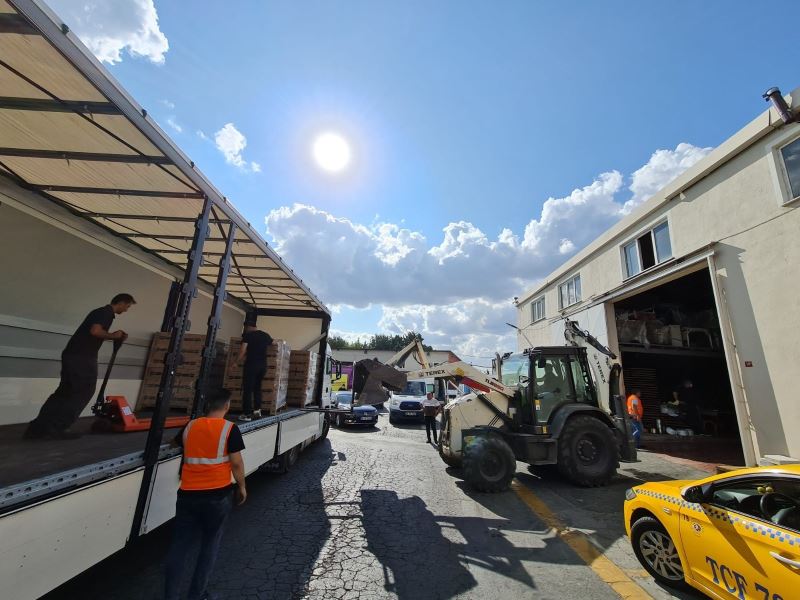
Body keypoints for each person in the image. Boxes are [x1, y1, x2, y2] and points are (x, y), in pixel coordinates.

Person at [165, 389, 246, 600]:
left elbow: (175, 443)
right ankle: (197, 595)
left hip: (187, 495)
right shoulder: (230, 429)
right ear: (227, 406)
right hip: (217, 497)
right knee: (209, 546)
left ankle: (170, 596)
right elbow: (236, 463)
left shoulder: (191, 426)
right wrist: (242, 486)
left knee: (179, 546)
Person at [24, 293, 135, 440]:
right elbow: (95, 331)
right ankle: (57, 428)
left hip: (73, 354)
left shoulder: (99, 312)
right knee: (83, 391)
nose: (126, 310)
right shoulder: (105, 312)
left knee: (64, 392)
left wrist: (114, 335)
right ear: (121, 302)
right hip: (82, 357)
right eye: (127, 306)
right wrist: (114, 336)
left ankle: (38, 428)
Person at [236, 319, 273, 421]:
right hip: (263, 366)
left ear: (247, 327)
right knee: (257, 388)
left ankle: (247, 414)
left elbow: (242, 350)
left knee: (248, 390)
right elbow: (273, 343)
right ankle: (257, 411)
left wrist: (235, 362)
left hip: (251, 365)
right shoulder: (265, 335)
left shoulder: (248, 336)